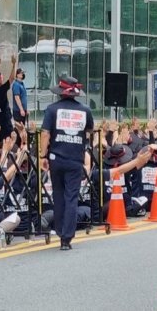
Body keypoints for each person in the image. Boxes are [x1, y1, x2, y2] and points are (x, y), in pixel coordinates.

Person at [39, 75, 93, 251]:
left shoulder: (52, 109)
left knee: (58, 197)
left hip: (56, 158)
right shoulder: (85, 111)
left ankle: (60, 230)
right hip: (75, 159)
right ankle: (66, 239)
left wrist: (42, 155)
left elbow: (45, 134)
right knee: (71, 198)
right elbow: (89, 132)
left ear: (60, 92)